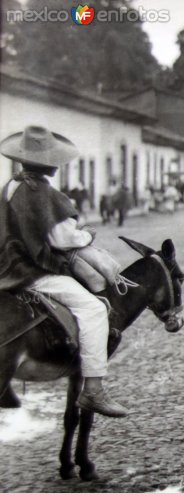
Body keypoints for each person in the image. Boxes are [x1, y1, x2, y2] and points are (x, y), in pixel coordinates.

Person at [0, 126, 127, 417]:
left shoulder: (9, 187)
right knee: (94, 309)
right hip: (31, 272)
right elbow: (62, 239)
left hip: (3, 268)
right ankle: (93, 389)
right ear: (48, 162)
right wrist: (85, 237)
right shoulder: (44, 193)